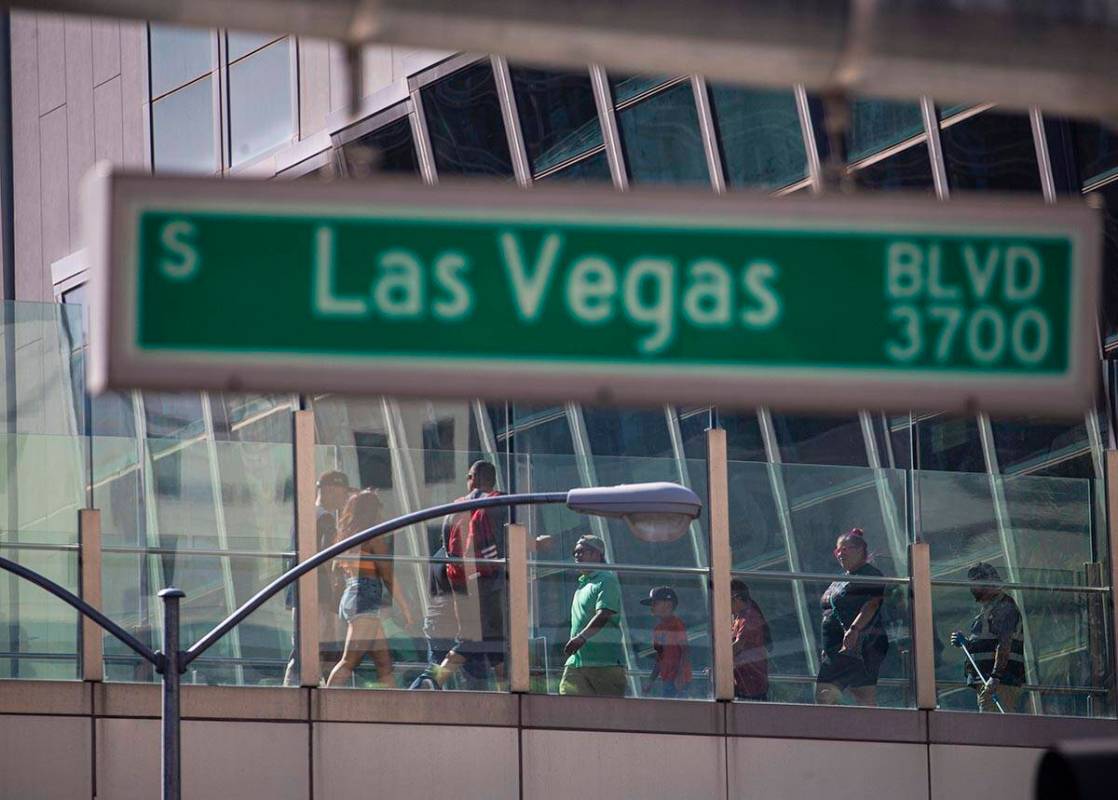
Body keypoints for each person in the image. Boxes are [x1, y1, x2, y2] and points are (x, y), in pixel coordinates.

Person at [410, 460, 508, 690]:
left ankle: (508, 693)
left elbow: (450, 563)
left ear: (473, 478)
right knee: (484, 645)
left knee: (484, 645)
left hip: (461, 589)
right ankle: (434, 682)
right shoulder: (501, 503)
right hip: (489, 585)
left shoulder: (454, 510)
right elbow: (510, 541)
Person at [325, 490, 413, 688]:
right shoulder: (373, 538)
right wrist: (406, 609)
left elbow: (335, 572)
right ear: (372, 512)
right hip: (364, 600)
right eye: (379, 510)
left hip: (355, 597)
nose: (382, 515)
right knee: (348, 662)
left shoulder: (348, 538)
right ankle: (324, 706)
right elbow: (388, 576)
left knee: (384, 664)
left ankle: (394, 711)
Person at [283, 470, 354, 686]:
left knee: (307, 643)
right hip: (317, 592)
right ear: (329, 490)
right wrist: (335, 583)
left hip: (300, 589)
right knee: (311, 644)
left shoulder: (304, 515)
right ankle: (295, 688)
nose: (344, 499)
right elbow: (329, 557)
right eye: (343, 494)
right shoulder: (324, 518)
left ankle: (309, 685)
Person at [815, 528, 889, 706]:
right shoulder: (842, 578)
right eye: (837, 551)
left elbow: (872, 604)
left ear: (859, 550)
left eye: (844, 549)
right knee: (862, 695)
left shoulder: (870, 574)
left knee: (825, 694)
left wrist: (854, 629)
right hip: (839, 647)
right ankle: (867, 731)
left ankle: (830, 732)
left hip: (856, 645)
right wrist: (827, 646)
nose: (839, 554)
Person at [950, 562, 1025, 713]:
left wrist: (996, 676)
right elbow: (989, 643)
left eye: (976, 583)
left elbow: (1004, 643)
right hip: (992, 682)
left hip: (998, 684)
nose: (972, 588)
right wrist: (967, 644)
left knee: (994, 729)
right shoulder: (992, 607)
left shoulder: (1004, 607)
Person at [560, 535, 627, 696]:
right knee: (566, 708)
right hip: (577, 661)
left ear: (596, 554)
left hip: (604, 663)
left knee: (608, 715)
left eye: (581, 551)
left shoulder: (606, 579)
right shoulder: (583, 584)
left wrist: (581, 638)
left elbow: (604, 613)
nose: (576, 556)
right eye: (575, 552)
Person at [641, 586, 692, 698]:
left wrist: (680, 675)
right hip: (667, 680)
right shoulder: (658, 629)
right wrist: (650, 680)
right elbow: (660, 658)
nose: (651, 608)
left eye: (654, 604)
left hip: (678, 682)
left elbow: (685, 651)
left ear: (668, 605)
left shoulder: (677, 625)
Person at [731, 579, 772, 701]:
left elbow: (738, 646)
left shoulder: (749, 617)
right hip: (745, 681)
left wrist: (718, 661)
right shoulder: (740, 614)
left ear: (737, 599)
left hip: (751, 685)